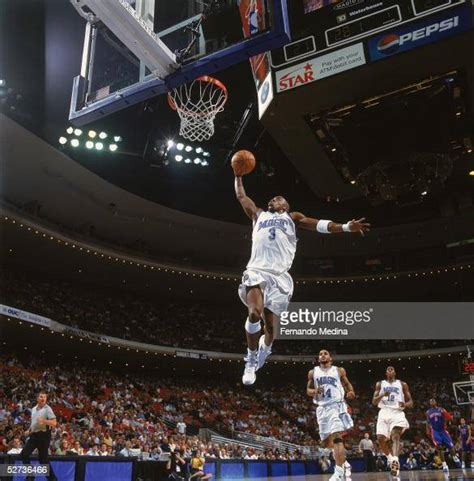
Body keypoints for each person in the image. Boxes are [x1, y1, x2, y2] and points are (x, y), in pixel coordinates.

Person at [234, 172, 370, 385]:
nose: (272, 199)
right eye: (272, 198)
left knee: (270, 331)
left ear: (285, 206)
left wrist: (345, 227)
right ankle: (250, 360)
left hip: (280, 278)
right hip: (257, 271)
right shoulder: (258, 215)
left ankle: (264, 350)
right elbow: (242, 197)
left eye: (277, 198)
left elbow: (320, 225)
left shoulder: (292, 218)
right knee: (254, 313)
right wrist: (238, 175)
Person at [307, 349, 355, 481]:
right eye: (320, 353)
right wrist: (315, 391)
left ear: (331, 358)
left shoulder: (339, 370)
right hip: (322, 408)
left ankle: (339, 473)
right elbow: (308, 390)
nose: (322, 355)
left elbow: (347, 384)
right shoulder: (313, 372)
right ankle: (344, 464)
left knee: (337, 437)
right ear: (318, 358)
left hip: (336, 405)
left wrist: (350, 391)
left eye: (325, 353)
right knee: (326, 443)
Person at [373, 366, 413, 477]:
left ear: (395, 372)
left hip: (397, 412)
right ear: (386, 373)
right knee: (380, 439)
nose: (390, 371)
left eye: (392, 369)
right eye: (388, 369)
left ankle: (395, 460)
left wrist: (405, 404)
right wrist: (382, 395)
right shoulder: (380, 384)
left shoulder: (402, 384)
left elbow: (411, 402)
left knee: (395, 435)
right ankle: (390, 458)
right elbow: (374, 402)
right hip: (384, 412)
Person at [20, 392, 57, 481]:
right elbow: (34, 424)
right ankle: (30, 475)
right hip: (34, 435)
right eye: (41, 396)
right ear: (37, 398)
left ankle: (53, 479)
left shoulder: (48, 409)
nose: (43, 398)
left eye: (44, 397)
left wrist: (44, 421)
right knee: (24, 454)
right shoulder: (33, 409)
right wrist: (29, 431)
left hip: (44, 436)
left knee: (43, 460)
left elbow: (54, 423)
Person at [426, 398, 460, 473]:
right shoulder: (428, 412)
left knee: (451, 447)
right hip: (435, 431)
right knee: (439, 448)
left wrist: (450, 418)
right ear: (429, 403)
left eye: (433, 401)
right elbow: (428, 422)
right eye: (430, 401)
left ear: (436, 402)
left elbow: (449, 418)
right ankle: (444, 465)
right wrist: (427, 430)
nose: (432, 402)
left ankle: (455, 457)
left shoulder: (441, 409)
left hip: (443, 431)